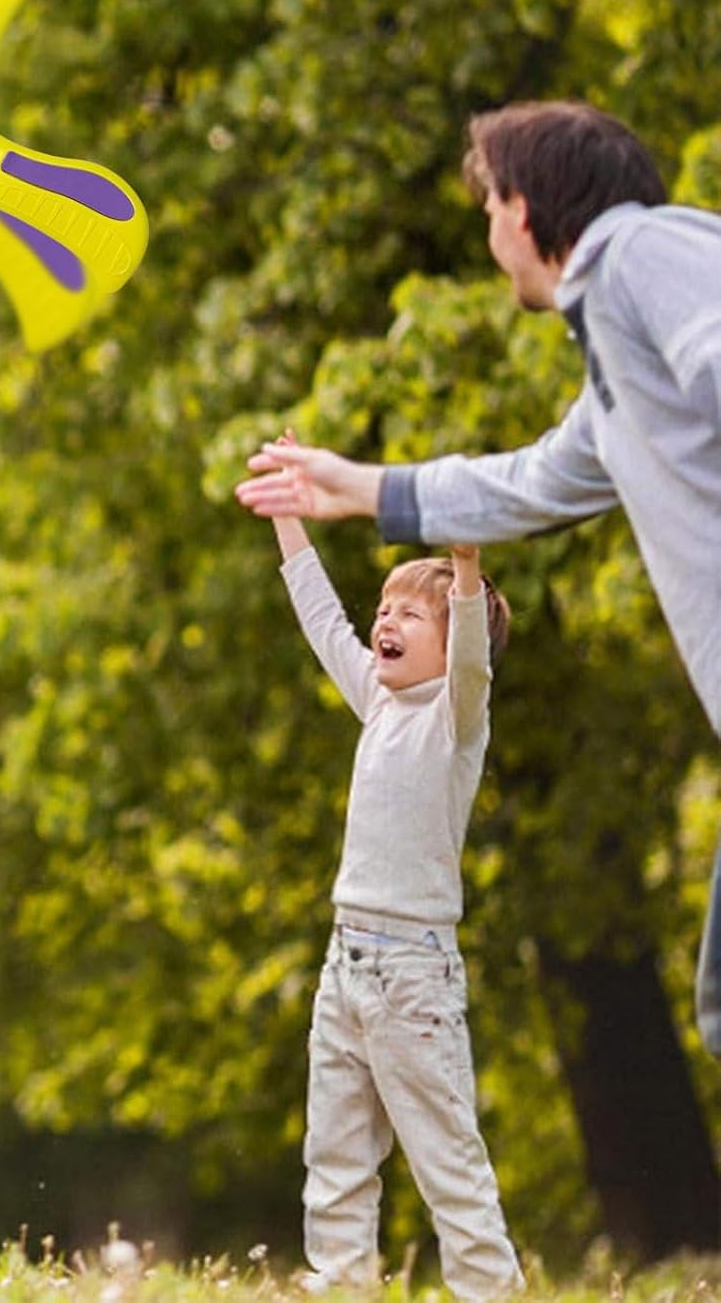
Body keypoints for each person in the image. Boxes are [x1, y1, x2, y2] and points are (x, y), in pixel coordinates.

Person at [234, 100, 721, 1057]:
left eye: (493, 204)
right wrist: (363, 488)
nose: (491, 230)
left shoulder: (640, 254)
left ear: (528, 209)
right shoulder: (617, 371)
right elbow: (533, 483)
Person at [261, 440, 521, 1300]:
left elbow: (474, 651)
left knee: (448, 1158)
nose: (388, 621)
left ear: (453, 645)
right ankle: (339, 1283)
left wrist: (464, 560)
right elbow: (321, 620)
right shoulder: (376, 700)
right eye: (387, 607)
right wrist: (292, 524)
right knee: (333, 1154)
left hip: (413, 975)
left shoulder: (456, 718)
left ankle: (489, 1289)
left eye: (415, 614)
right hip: (346, 968)